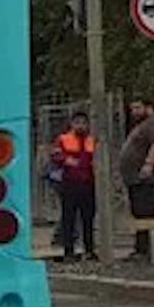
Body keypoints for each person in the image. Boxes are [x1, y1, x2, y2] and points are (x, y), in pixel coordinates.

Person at [119, 98, 154, 259]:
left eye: (137, 107)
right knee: (139, 213)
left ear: (149, 107)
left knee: (145, 213)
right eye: (132, 108)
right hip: (136, 179)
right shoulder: (142, 125)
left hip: (147, 179)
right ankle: (141, 248)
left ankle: (146, 250)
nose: (133, 111)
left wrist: (148, 165)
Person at [50, 112, 98, 262]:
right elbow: (55, 155)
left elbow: (98, 157)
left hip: (88, 183)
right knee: (68, 218)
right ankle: (68, 251)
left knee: (88, 218)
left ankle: (89, 250)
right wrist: (66, 160)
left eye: (83, 123)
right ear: (72, 124)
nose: (80, 126)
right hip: (69, 183)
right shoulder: (64, 139)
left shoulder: (91, 140)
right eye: (77, 123)